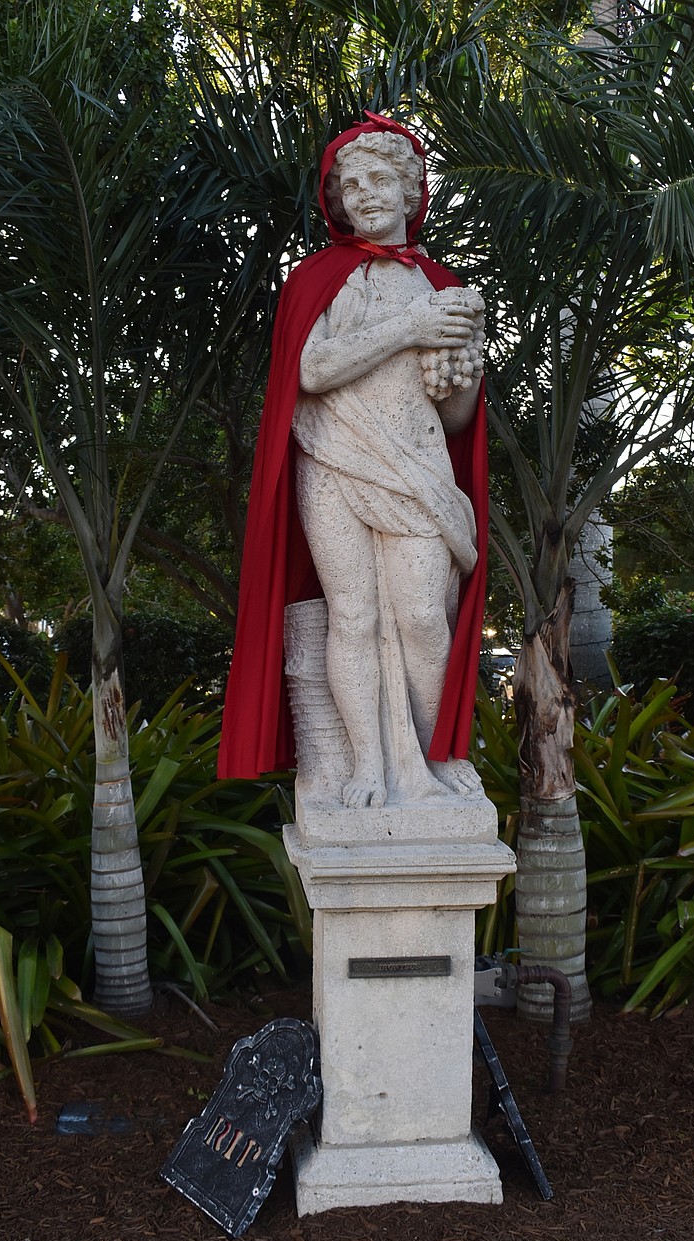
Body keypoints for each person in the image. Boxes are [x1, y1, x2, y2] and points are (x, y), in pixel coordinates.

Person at [218, 113, 488, 811]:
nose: (365, 193)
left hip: (418, 466)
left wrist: (466, 367)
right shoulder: (321, 279)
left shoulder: (440, 285)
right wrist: (409, 329)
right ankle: (369, 764)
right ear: (338, 200)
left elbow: (454, 418)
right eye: (351, 183)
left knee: (427, 615)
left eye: (381, 180)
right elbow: (310, 369)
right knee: (354, 615)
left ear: (410, 193)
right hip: (332, 457)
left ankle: (434, 757)